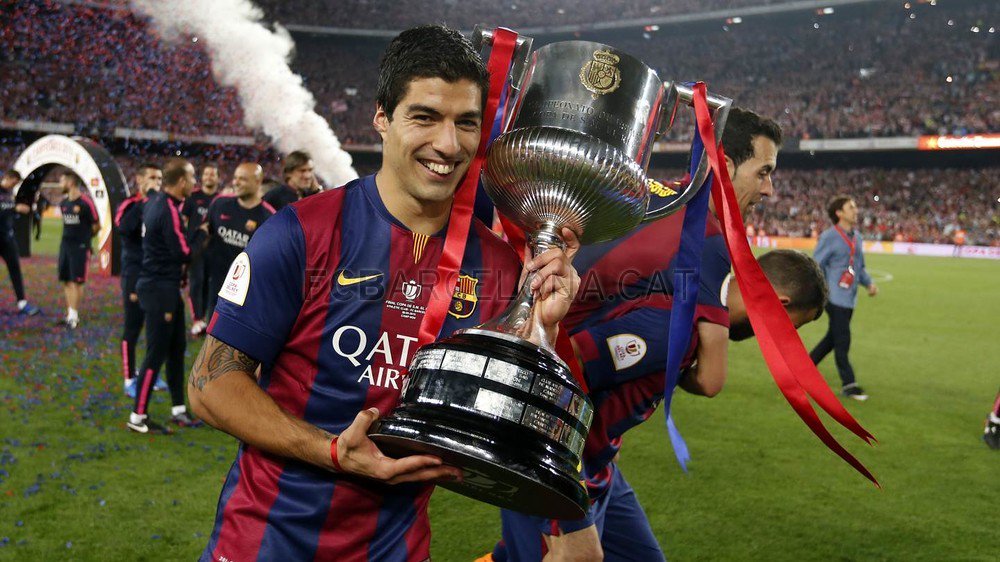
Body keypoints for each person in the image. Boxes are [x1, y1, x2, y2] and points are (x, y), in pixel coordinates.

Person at [190, 25, 579, 561]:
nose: (448, 144)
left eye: (466, 123)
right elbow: (209, 385)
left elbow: (512, 427)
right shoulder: (301, 234)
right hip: (265, 543)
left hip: (395, 548)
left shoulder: (498, 268)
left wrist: (542, 326)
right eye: (425, 116)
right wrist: (332, 451)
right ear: (381, 118)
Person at [497, 106, 784, 561]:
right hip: (548, 430)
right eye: (763, 172)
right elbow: (711, 379)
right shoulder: (707, 240)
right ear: (725, 165)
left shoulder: (645, 196)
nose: (769, 188)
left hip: (570, 423)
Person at [497, 251, 826, 561]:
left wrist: (606, 436)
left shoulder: (694, 317)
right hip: (551, 458)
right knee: (577, 554)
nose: (785, 337)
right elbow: (565, 365)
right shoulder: (675, 325)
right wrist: (563, 463)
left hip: (599, 463)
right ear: (781, 304)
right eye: (793, 327)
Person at [126, 158, 205, 434]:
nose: (194, 183)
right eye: (192, 177)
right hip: (160, 289)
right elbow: (183, 252)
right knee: (156, 353)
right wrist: (202, 235)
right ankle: (138, 417)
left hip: (164, 288)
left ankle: (178, 409)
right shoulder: (167, 208)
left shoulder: (154, 203)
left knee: (176, 349)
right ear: (181, 181)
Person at [809, 195, 878, 401]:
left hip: (849, 299)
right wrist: (820, 292)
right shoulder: (829, 237)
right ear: (839, 213)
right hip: (834, 297)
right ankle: (849, 384)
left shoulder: (857, 237)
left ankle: (803, 368)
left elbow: (859, 267)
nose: (856, 210)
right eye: (851, 207)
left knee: (832, 339)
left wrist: (869, 283)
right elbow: (816, 265)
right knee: (842, 340)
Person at [199, 162, 274, 323]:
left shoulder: (269, 218)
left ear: (258, 181)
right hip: (217, 288)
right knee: (213, 335)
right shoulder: (219, 204)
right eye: (235, 178)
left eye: (243, 179)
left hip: (248, 296)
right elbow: (206, 235)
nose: (236, 182)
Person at [116, 163, 162, 398]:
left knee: (155, 328)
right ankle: (129, 378)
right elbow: (123, 229)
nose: (157, 182)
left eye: (160, 178)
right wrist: (144, 203)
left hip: (156, 274)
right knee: (133, 327)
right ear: (140, 180)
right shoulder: (129, 204)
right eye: (152, 177)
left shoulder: (162, 204)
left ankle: (149, 373)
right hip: (134, 273)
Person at [56, 170, 99, 329]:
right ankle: (70, 315)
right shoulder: (63, 203)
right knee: (66, 280)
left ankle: (74, 317)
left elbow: (96, 225)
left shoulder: (86, 203)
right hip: (65, 246)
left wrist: (85, 239)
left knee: (77, 281)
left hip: (80, 247)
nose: (60, 184)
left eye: (62, 181)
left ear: (71, 182)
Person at [184, 164, 222, 336]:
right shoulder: (193, 196)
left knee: (208, 283)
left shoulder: (222, 200)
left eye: (212, 174)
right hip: (196, 247)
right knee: (196, 282)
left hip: (214, 248)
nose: (209, 177)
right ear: (202, 177)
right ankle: (197, 319)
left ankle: (206, 319)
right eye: (206, 174)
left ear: (218, 178)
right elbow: (184, 220)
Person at [0, 170, 40, 315]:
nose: (14, 186)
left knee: (15, 269)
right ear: (8, 178)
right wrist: (15, 208)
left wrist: (16, 211)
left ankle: (22, 303)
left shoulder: (9, 194)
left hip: (7, 238)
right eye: (14, 182)